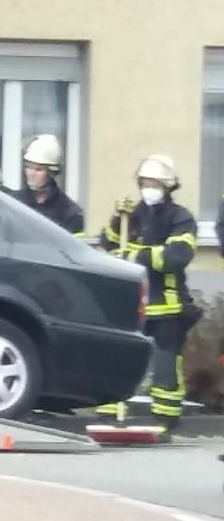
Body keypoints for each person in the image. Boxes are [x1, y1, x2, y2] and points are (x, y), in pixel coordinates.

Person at [94, 154, 200, 439]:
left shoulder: (180, 218)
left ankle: (165, 418)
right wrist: (118, 221)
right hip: (131, 301)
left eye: (153, 182)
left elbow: (177, 256)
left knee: (166, 367)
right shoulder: (133, 215)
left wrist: (137, 255)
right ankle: (109, 411)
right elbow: (107, 244)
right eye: (143, 182)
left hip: (166, 305)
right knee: (118, 357)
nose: (147, 187)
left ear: (166, 186)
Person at [12, 134, 86, 237]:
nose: (31, 174)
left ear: (52, 172)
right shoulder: (13, 203)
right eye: (28, 167)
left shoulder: (69, 213)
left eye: (38, 169)